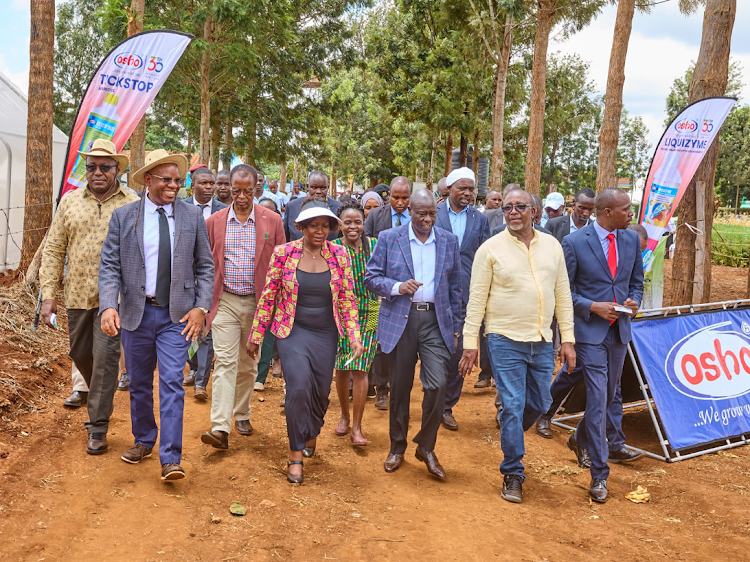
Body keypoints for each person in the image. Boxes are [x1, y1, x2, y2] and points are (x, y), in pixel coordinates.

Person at [99, 149, 214, 482]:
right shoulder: (124, 217)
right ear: (148, 180)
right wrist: (109, 304)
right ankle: (144, 440)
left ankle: (170, 458)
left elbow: (205, 266)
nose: (174, 185)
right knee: (138, 384)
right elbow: (109, 266)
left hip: (176, 317)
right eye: (167, 179)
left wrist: (201, 306)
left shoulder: (192, 217)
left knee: (172, 385)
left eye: (178, 180)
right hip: (136, 314)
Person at [458, 188, 576, 504]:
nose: (513, 212)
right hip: (503, 338)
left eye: (520, 206)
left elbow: (563, 295)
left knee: (539, 402)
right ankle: (513, 471)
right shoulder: (490, 249)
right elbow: (476, 300)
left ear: (534, 211)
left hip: (541, 340)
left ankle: (511, 432)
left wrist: (568, 339)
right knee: (512, 403)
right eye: (508, 207)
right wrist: (471, 343)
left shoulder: (552, 246)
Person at [247, 200, 363, 484]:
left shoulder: (341, 255)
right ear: (302, 227)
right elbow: (268, 297)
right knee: (298, 388)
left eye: (325, 226)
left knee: (320, 393)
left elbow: (347, 299)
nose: (320, 231)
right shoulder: (284, 253)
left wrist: (354, 335)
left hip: (326, 333)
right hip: (292, 332)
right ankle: (295, 453)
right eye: (314, 226)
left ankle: (310, 429)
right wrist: (257, 335)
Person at [40, 139, 138, 454]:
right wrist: (48, 294)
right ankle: (98, 392)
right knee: (80, 353)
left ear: (117, 169)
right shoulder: (69, 202)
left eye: (104, 167)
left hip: (115, 301)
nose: (97, 172)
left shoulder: (132, 202)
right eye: (92, 166)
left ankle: (97, 427)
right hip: (78, 296)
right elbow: (54, 249)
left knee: (108, 360)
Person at [365, 189, 462, 479]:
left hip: (435, 321)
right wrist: (397, 287)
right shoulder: (389, 238)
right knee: (400, 388)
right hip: (400, 320)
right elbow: (371, 278)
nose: (427, 219)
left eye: (432, 213)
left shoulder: (448, 241)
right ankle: (397, 446)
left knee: (437, 384)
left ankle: (426, 446)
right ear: (410, 212)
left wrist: (456, 329)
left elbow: (456, 288)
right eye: (421, 213)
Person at [558, 187, 644, 503]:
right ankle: (599, 475)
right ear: (607, 212)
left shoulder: (631, 240)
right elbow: (564, 292)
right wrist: (593, 306)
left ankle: (579, 439)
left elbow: (636, 281)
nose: (631, 215)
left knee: (606, 398)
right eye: (626, 209)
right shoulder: (574, 243)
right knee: (597, 397)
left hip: (619, 332)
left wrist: (635, 301)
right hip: (589, 334)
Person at [199, 164, 285, 450]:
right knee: (224, 361)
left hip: (256, 303)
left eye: (248, 191)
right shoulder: (214, 221)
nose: (242, 196)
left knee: (248, 363)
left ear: (256, 188)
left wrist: (277, 306)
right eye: (237, 191)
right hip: (224, 301)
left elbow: (281, 265)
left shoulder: (272, 221)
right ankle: (220, 427)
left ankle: (242, 413)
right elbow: (206, 264)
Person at [434, 167, 490, 431]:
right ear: (449, 189)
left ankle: (446, 407)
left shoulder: (480, 220)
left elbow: (486, 257)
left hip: (466, 296)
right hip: (433, 293)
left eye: (471, 189)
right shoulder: (433, 214)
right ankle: (431, 402)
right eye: (462, 188)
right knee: (433, 351)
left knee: (459, 351)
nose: (468, 193)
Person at [332, 200, 379, 446]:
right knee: (342, 367)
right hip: (340, 315)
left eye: (358, 222)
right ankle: (343, 415)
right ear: (340, 225)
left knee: (361, 369)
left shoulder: (374, 245)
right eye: (347, 222)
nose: (353, 227)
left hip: (370, 312)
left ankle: (357, 427)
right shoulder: (332, 248)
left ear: (364, 224)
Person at [363, 177, 412, 410]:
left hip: (410, 288)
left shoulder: (417, 217)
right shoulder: (375, 217)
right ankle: (382, 389)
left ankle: (400, 388)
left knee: (407, 343)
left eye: (405, 198)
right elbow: (368, 249)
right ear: (388, 196)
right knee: (382, 342)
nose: (400, 202)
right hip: (382, 288)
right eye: (396, 197)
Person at [182, 167, 228, 399]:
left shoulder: (224, 211)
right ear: (193, 185)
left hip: (211, 277)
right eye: (204, 183)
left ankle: (201, 381)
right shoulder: (180, 207)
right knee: (187, 326)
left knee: (207, 330)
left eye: (212, 183)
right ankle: (193, 368)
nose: (210, 187)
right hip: (182, 278)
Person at [284, 171, 341, 241]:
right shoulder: (292, 206)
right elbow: (286, 236)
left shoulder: (338, 208)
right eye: (314, 187)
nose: (318, 191)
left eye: (323, 188)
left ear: (328, 187)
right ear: (307, 187)